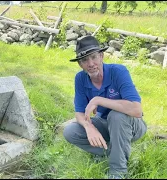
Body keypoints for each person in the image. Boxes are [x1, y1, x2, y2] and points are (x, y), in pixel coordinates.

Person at [63, 35, 147, 179]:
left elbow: (136, 110)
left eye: (94, 57)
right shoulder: (80, 78)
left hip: (131, 125)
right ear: (80, 64)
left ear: (101, 56)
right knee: (70, 131)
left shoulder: (118, 71)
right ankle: (112, 151)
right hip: (105, 124)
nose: (90, 63)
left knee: (117, 115)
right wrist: (89, 127)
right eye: (84, 60)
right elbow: (79, 113)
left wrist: (99, 100)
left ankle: (118, 172)